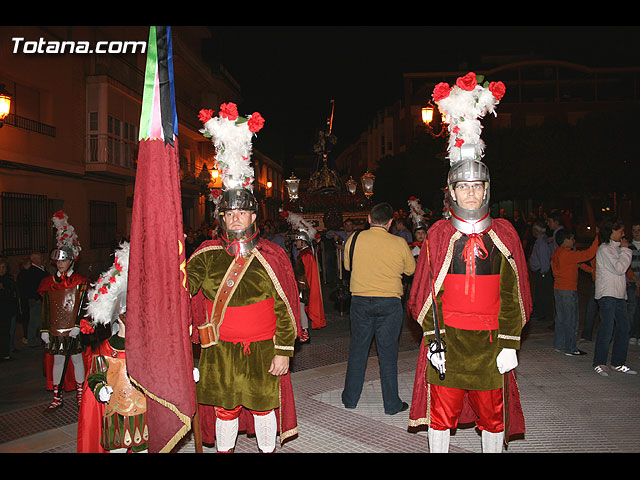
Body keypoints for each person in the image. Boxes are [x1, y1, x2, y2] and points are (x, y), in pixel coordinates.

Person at [408, 73, 531, 453]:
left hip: (491, 343)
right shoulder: (439, 235)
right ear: (452, 191)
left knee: (493, 416)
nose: (471, 192)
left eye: (477, 186)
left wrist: (510, 342)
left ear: (487, 190)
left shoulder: (505, 233)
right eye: (464, 186)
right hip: (449, 342)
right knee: (441, 415)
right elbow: (425, 292)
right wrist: (432, 339)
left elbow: (514, 294)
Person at [189, 103, 300, 453]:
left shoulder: (272, 254)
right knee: (225, 410)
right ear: (222, 218)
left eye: (243, 212)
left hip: (263, 350)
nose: (236, 218)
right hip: (218, 350)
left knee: (264, 408)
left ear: (254, 215)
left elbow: (287, 308)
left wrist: (284, 351)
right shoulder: (206, 254)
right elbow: (178, 292)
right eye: (230, 213)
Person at [341, 202, 415, 415]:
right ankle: (391, 404)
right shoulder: (399, 243)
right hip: (389, 303)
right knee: (388, 354)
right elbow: (410, 270)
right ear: (391, 222)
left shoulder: (354, 239)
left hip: (360, 301)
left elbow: (347, 267)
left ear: (369, 219)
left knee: (358, 350)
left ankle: (350, 399)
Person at [78, 241, 149, 453]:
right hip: (116, 415)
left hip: (143, 414)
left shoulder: (146, 348)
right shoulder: (106, 349)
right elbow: (95, 374)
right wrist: (100, 389)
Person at [39, 211, 87, 409]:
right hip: (56, 330)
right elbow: (46, 308)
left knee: (76, 360)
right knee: (57, 361)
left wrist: (77, 325)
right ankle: (57, 397)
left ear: (70, 261)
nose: (60, 264)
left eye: (63, 261)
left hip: (73, 329)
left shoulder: (79, 281)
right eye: (58, 261)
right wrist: (44, 330)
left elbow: (81, 306)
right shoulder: (48, 283)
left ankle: (80, 394)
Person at [592, 220, 636, 376]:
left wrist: (624, 250)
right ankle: (599, 362)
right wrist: (625, 251)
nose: (623, 234)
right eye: (621, 231)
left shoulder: (618, 249)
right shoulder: (604, 249)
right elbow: (620, 268)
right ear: (611, 231)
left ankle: (618, 362)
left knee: (624, 328)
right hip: (607, 295)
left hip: (619, 295)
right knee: (607, 329)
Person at [551, 228, 598, 356]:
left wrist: (590, 270)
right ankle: (570, 348)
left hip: (558, 288)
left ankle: (559, 345)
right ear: (565, 240)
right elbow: (588, 254)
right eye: (572, 239)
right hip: (568, 289)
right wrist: (598, 237)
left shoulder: (557, 252)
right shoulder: (568, 254)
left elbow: (578, 264)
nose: (574, 241)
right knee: (571, 319)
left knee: (561, 318)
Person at [284, 211, 326, 343]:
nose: (295, 243)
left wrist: (305, 289)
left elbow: (308, 275)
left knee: (301, 308)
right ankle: (303, 332)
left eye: (297, 241)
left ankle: (305, 333)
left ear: (303, 242)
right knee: (300, 308)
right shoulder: (303, 253)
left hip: (303, 287)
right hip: (301, 286)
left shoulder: (306, 255)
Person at [18, 252, 48, 347]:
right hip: (36, 300)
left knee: (39, 320)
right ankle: (31, 340)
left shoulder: (39, 270)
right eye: (40, 257)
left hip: (39, 299)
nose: (42, 259)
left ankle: (37, 339)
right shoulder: (32, 271)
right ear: (34, 260)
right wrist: (37, 298)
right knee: (35, 321)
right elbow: (32, 287)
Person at [529, 221, 554, 322]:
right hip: (540, 272)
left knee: (544, 294)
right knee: (540, 294)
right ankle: (541, 313)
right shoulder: (540, 241)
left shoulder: (542, 243)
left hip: (543, 272)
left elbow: (544, 259)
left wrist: (544, 272)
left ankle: (546, 315)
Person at [0, 259, 18, 360]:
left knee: (6, 331)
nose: (1, 270)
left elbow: (12, 293)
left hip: (6, 310)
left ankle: (5, 352)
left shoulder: (8, 279)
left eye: (3, 267)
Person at [626, 222, 640, 344]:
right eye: (634, 230)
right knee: (632, 307)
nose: (636, 233)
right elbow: (626, 266)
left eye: (638, 230)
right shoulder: (629, 246)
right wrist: (635, 280)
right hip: (631, 282)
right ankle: (630, 334)